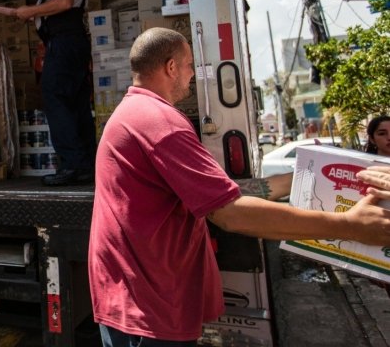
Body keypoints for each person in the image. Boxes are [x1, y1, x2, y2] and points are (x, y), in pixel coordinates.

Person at [87, 28, 390, 346]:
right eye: (190, 65)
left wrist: (304, 179)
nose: (193, 75)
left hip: (135, 296)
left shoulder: (134, 114)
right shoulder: (160, 123)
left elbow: (225, 191)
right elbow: (230, 213)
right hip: (148, 308)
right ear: (171, 67)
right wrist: (349, 225)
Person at [14, 0, 96, 186]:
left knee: (55, 97)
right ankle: (86, 165)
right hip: (69, 41)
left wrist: (32, 10)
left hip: (66, 40)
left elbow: (65, 0)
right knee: (77, 102)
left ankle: (72, 164)